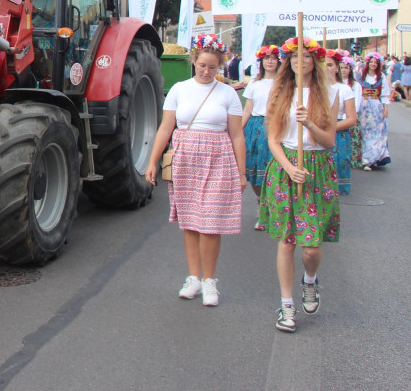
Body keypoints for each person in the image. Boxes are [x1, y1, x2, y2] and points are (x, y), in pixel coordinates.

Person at [145, 34, 245, 307]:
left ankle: (210, 281)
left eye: (212, 67)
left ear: (219, 66)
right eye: (202, 65)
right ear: (194, 61)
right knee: (190, 221)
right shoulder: (179, 89)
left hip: (218, 157)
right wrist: (152, 161)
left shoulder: (227, 94)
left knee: (211, 223)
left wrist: (242, 172)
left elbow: (237, 134)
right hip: (186, 155)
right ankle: (193, 278)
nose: (206, 71)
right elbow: (166, 128)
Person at [258, 38, 339, 333]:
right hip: (286, 168)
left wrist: (310, 125)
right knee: (287, 241)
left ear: (314, 62)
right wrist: (290, 168)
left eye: (305, 57)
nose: (298, 62)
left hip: (317, 169)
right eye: (293, 57)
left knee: (312, 247)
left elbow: (329, 141)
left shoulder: (330, 95)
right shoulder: (279, 93)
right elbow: (273, 140)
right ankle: (287, 305)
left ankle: (309, 281)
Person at [242, 45, 279, 218]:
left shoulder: (285, 83)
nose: (270, 62)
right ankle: (260, 202)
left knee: (273, 169)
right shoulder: (254, 83)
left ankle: (272, 205)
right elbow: (248, 110)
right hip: (256, 127)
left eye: (273, 58)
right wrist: (236, 131)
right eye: (266, 58)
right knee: (255, 169)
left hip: (277, 126)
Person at [324, 50, 358, 195]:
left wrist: (331, 129)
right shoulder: (314, 88)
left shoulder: (344, 89)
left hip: (337, 133)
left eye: (330, 65)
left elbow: (352, 119)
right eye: (323, 65)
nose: (326, 68)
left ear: (337, 67)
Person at [358, 52, 391, 170]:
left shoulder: (381, 77)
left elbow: (385, 94)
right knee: (365, 132)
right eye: (371, 62)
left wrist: (385, 108)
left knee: (378, 132)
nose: (373, 64)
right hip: (364, 106)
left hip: (376, 107)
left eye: (375, 62)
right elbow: (357, 92)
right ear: (368, 63)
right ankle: (365, 159)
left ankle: (376, 156)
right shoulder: (361, 76)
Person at [338, 56, 364, 172]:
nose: (344, 70)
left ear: (350, 69)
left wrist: (346, 118)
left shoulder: (355, 85)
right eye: (342, 67)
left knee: (350, 143)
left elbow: (356, 103)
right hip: (337, 118)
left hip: (349, 118)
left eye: (346, 68)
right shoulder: (334, 83)